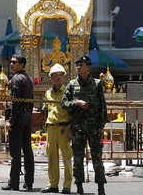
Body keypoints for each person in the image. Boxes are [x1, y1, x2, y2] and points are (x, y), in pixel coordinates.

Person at [61, 55, 107, 195]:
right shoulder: (71, 84)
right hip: (78, 127)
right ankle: (79, 186)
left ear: (88, 67)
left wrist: (101, 126)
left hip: (93, 127)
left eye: (82, 64)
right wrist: (76, 102)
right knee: (78, 158)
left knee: (97, 158)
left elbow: (102, 107)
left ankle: (101, 187)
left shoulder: (97, 84)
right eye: (78, 65)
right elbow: (64, 103)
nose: (79, 67)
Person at [1, 54, 35, 191]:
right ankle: (29, 181)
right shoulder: (28, 79)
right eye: (11, 61)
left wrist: (11, 120)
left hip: (19, 117)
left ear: (22, 65)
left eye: (14, 62)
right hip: (27, 116)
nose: (11, 64)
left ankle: (13, 182)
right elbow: (31, 100)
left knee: (15, 152)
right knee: (27, 150)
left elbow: (15, 103)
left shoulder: (16, 79)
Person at [40, 64, 72, 194]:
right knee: (52, 157)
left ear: (64, 77)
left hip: (64, 127)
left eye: (61, 74)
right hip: (51, 127)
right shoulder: (48, 93)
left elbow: (72, 112)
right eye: (56, 75)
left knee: (67, 157)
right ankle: (53, 184)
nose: (58, 77)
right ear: (51, 77)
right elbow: (46, 110)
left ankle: (67, 185)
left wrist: (71, 129)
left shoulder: (68, 92)